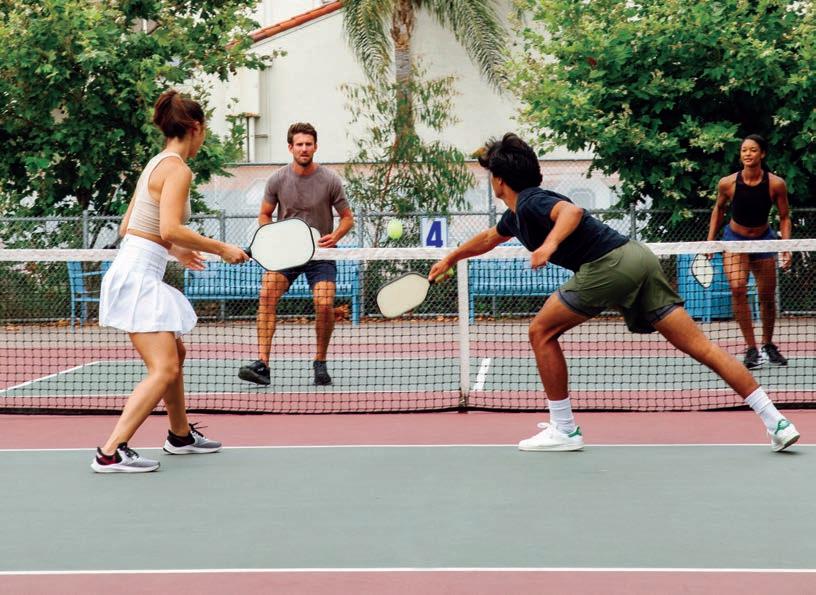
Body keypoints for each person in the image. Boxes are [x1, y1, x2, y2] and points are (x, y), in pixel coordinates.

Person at [429, 133, 800, 453]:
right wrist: (450, 258)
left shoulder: (531, 201)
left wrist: (549, 245)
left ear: (499, 181)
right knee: (702, 347)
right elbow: (489, 238)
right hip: (638, 258)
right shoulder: (516, 216)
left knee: (540, 331)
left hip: (608, 265)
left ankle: (564, 429)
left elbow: (571, 212)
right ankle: (777, 422)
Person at [91, 90, 249, 473]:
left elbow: (130, 226)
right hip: (137, 276)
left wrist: (176, 251)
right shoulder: (178, 169)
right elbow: (170, 227)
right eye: (205, 130)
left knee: (176, 354)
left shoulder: (155, 163)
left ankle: (180, 435)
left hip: (134, 268)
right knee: (164, 369)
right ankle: (110, 451)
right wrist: (221, 248)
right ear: (196, 128)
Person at [238, 123, 354, 387]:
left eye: (308, 144)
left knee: (324, 303)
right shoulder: (277, 179)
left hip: (321, 254)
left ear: (315, 147)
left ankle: (320, 362)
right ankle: (262, 364)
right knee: (267, 294)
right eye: (299, 144)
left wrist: (335, 236)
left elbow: (347, 218)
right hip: (286, 254)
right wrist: (273, 237)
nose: (304, 148)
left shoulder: (330, 180)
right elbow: (264, 214)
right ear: (290, 147)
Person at [708, 134, 792, 369]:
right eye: (744, 150)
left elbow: (785, 217)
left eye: (753, 150)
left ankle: (768, 345)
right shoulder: (727, 183)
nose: (747, 154)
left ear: (762, 154)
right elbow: (718, 210)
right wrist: (709, 242)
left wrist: (786, 247)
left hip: (764, 240)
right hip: (735, 240)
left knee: (766, 296)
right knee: (737, 288)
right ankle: (751, 349)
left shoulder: (776, 184)